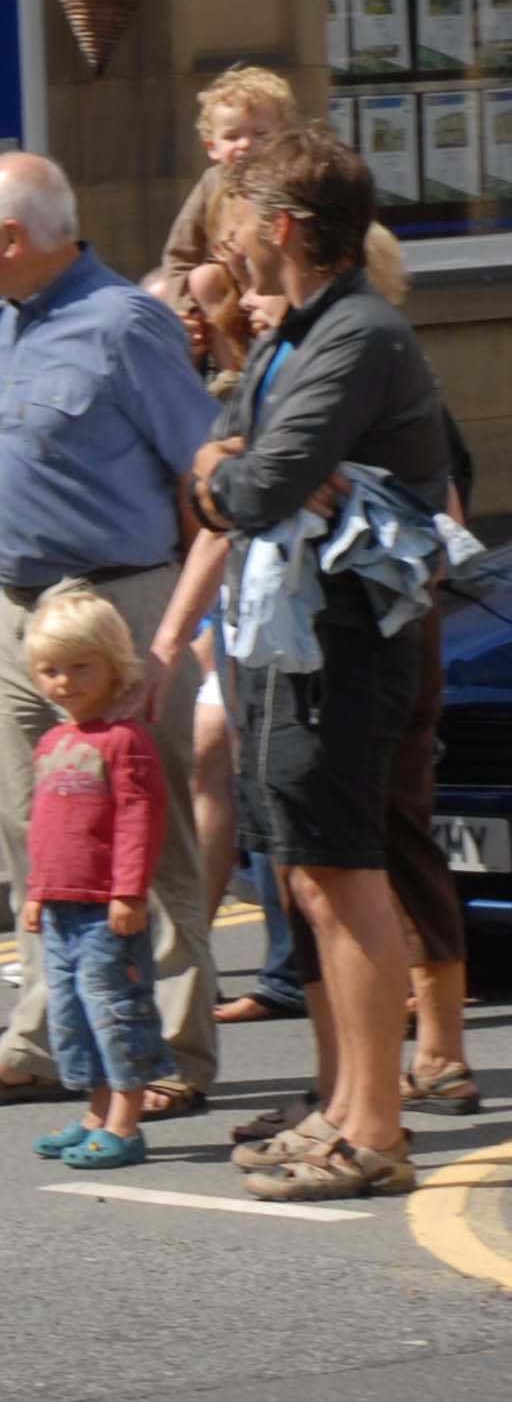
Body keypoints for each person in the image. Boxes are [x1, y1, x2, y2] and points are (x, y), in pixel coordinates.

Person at [0, 150, 224, 1119]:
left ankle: (172, 1054)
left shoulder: (123, 324)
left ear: (11, 239)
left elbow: (205, 470)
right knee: (34, 833)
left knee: (148, 832)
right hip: (18, 613)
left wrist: (177, 629)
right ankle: (46, 1042)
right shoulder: (9, 320)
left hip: (113, 609)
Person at [195, 127, 453, 1201]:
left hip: (343, 645)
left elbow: (249, 490)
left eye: (241, 214)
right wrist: (231, 463)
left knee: (343, 874)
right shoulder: (293, 337)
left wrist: (229, 473)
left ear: (283, 229)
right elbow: (237, 461)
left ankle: (376, 1130)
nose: (231, 237)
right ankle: (344, 1106)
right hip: (293, 642)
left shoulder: (354, 336)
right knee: (305, 872)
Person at [15, 585, 175, 1170]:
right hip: (60, 908)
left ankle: (127, 1125)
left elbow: (140, 821)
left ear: (115, 668)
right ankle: (95, 1113)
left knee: (115, 1012)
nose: (63, 682)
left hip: (107, 911)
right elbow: (46, 829)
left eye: (80, 668)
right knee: (73, 1016)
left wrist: (129, 891)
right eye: (49, 670)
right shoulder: (54, 742)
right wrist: (36, 891)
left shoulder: (125, 742)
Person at [149, 66, 295, 383]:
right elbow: (179, 252)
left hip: (276, 285)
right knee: (203, 278)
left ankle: (276, 368)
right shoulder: (212, 184)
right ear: (211, 147)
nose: (245, 145)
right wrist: (184, 311)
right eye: (232, 137)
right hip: (230, 298)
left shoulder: (289, 184)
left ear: (283, 138)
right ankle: (234, 376)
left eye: (260, 134)